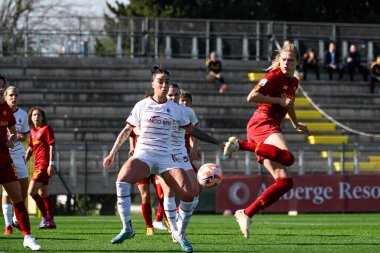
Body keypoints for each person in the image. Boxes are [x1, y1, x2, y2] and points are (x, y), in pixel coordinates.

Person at [103, 66, 223, 253]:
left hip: (169, 157)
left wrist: (217, 142)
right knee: (122, 179)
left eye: (167, 81)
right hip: (144, 154)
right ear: (153, 84)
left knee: (189, 195)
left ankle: (180, 234)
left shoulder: (177, 110)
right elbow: (127, 130)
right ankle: (127, 228)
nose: (164, 85)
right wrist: (111, 154)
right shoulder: (142, 105)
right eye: (161, 81)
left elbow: (194, 131)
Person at [223, 44, 309, 239]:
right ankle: (240, 144)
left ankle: (246, 213)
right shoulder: (272, 77)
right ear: (279, 61)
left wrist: (296, 124)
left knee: (285, 182)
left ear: (297, 62)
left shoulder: (293, 81)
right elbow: (251, 97)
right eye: (284, 59)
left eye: (290, 60)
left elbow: (289, 103)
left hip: (270, 127)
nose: (286, 63)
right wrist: (278, 102)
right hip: (261, 122)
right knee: (288, 158)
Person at [0, 76, 42, 250]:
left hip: (4, 161)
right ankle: (8, 225)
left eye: (1, 86)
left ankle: (28, 237)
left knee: (18, 197)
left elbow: (12, 130)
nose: (0, 89)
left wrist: (11, 139)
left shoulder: (5, 109)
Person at [158, 84, 202, 244]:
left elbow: (195, 131)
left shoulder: (188, 112)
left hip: (182, 155)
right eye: (170, 95)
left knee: (195, 190)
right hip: (163, 157)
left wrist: (194, 149)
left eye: (175, 95)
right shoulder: (158, 109)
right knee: (168, 191)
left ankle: (178, 225)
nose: (173, 98)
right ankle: (175, 231)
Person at [129, 127, 169, 235]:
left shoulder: (157, 119)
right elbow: (131, 132)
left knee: (163, 194)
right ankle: (149, 227)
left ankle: (167, 221)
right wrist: (132, 147)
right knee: (145, 196)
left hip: (157, 161)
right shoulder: (139, 118)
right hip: (141, 161)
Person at [2, 86, 30, 235]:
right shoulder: (2, 111)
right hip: (4, 153)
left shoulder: (23, 114)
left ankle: (15, 218)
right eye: (11, 95)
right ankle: (8, 225)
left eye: (16, 95)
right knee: (8, 188)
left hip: (18, 152)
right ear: (5, 97)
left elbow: (25, 135)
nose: (14, 97)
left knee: (23, 186)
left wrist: (19, 137)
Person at [25, 107, 57, 229]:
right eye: (34, 115)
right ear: (31, 118)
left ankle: (45, 218)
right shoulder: (33, 132)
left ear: (43, 117)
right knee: (44, 193)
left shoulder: (46, 129)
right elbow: (30, 148)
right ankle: (51, 221)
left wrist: (51, 163)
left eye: (39, 115)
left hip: (43, 166)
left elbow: (52, 146)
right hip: (37, 165)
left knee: (31, 192)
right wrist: (24, 160)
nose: (37, 117)